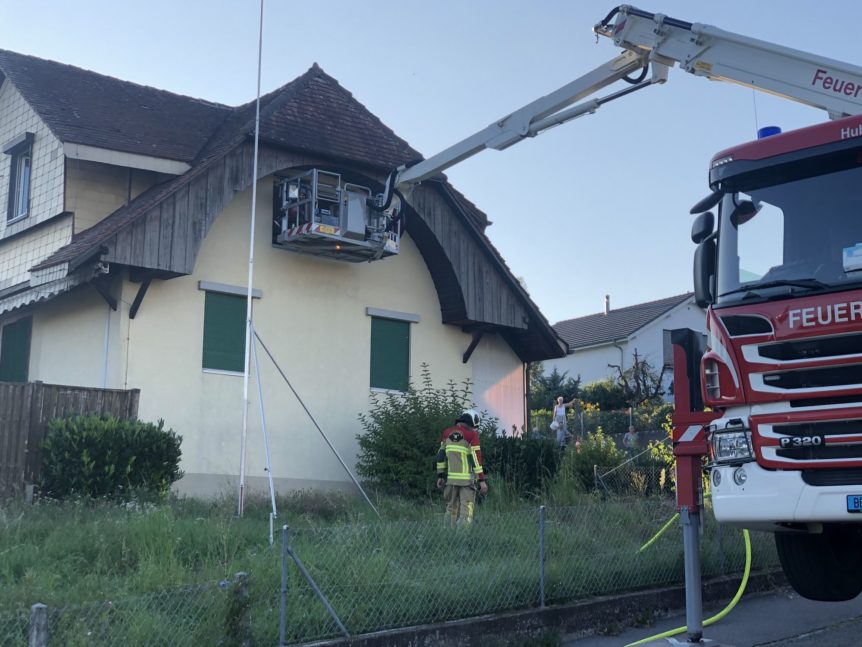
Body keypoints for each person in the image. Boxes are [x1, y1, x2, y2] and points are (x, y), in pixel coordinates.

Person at [436, 409, 488, 527]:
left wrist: (440, 475)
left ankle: (447, 534)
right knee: (466, 512)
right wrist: (482, 480)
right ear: (471, 423)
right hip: (467, 481)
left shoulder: (446, 433)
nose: (475, 430)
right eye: (475, 427)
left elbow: (440, 456)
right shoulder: (471, 435)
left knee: (450, 509)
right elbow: (475, 458)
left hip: (451, 480)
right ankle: (462, 539)